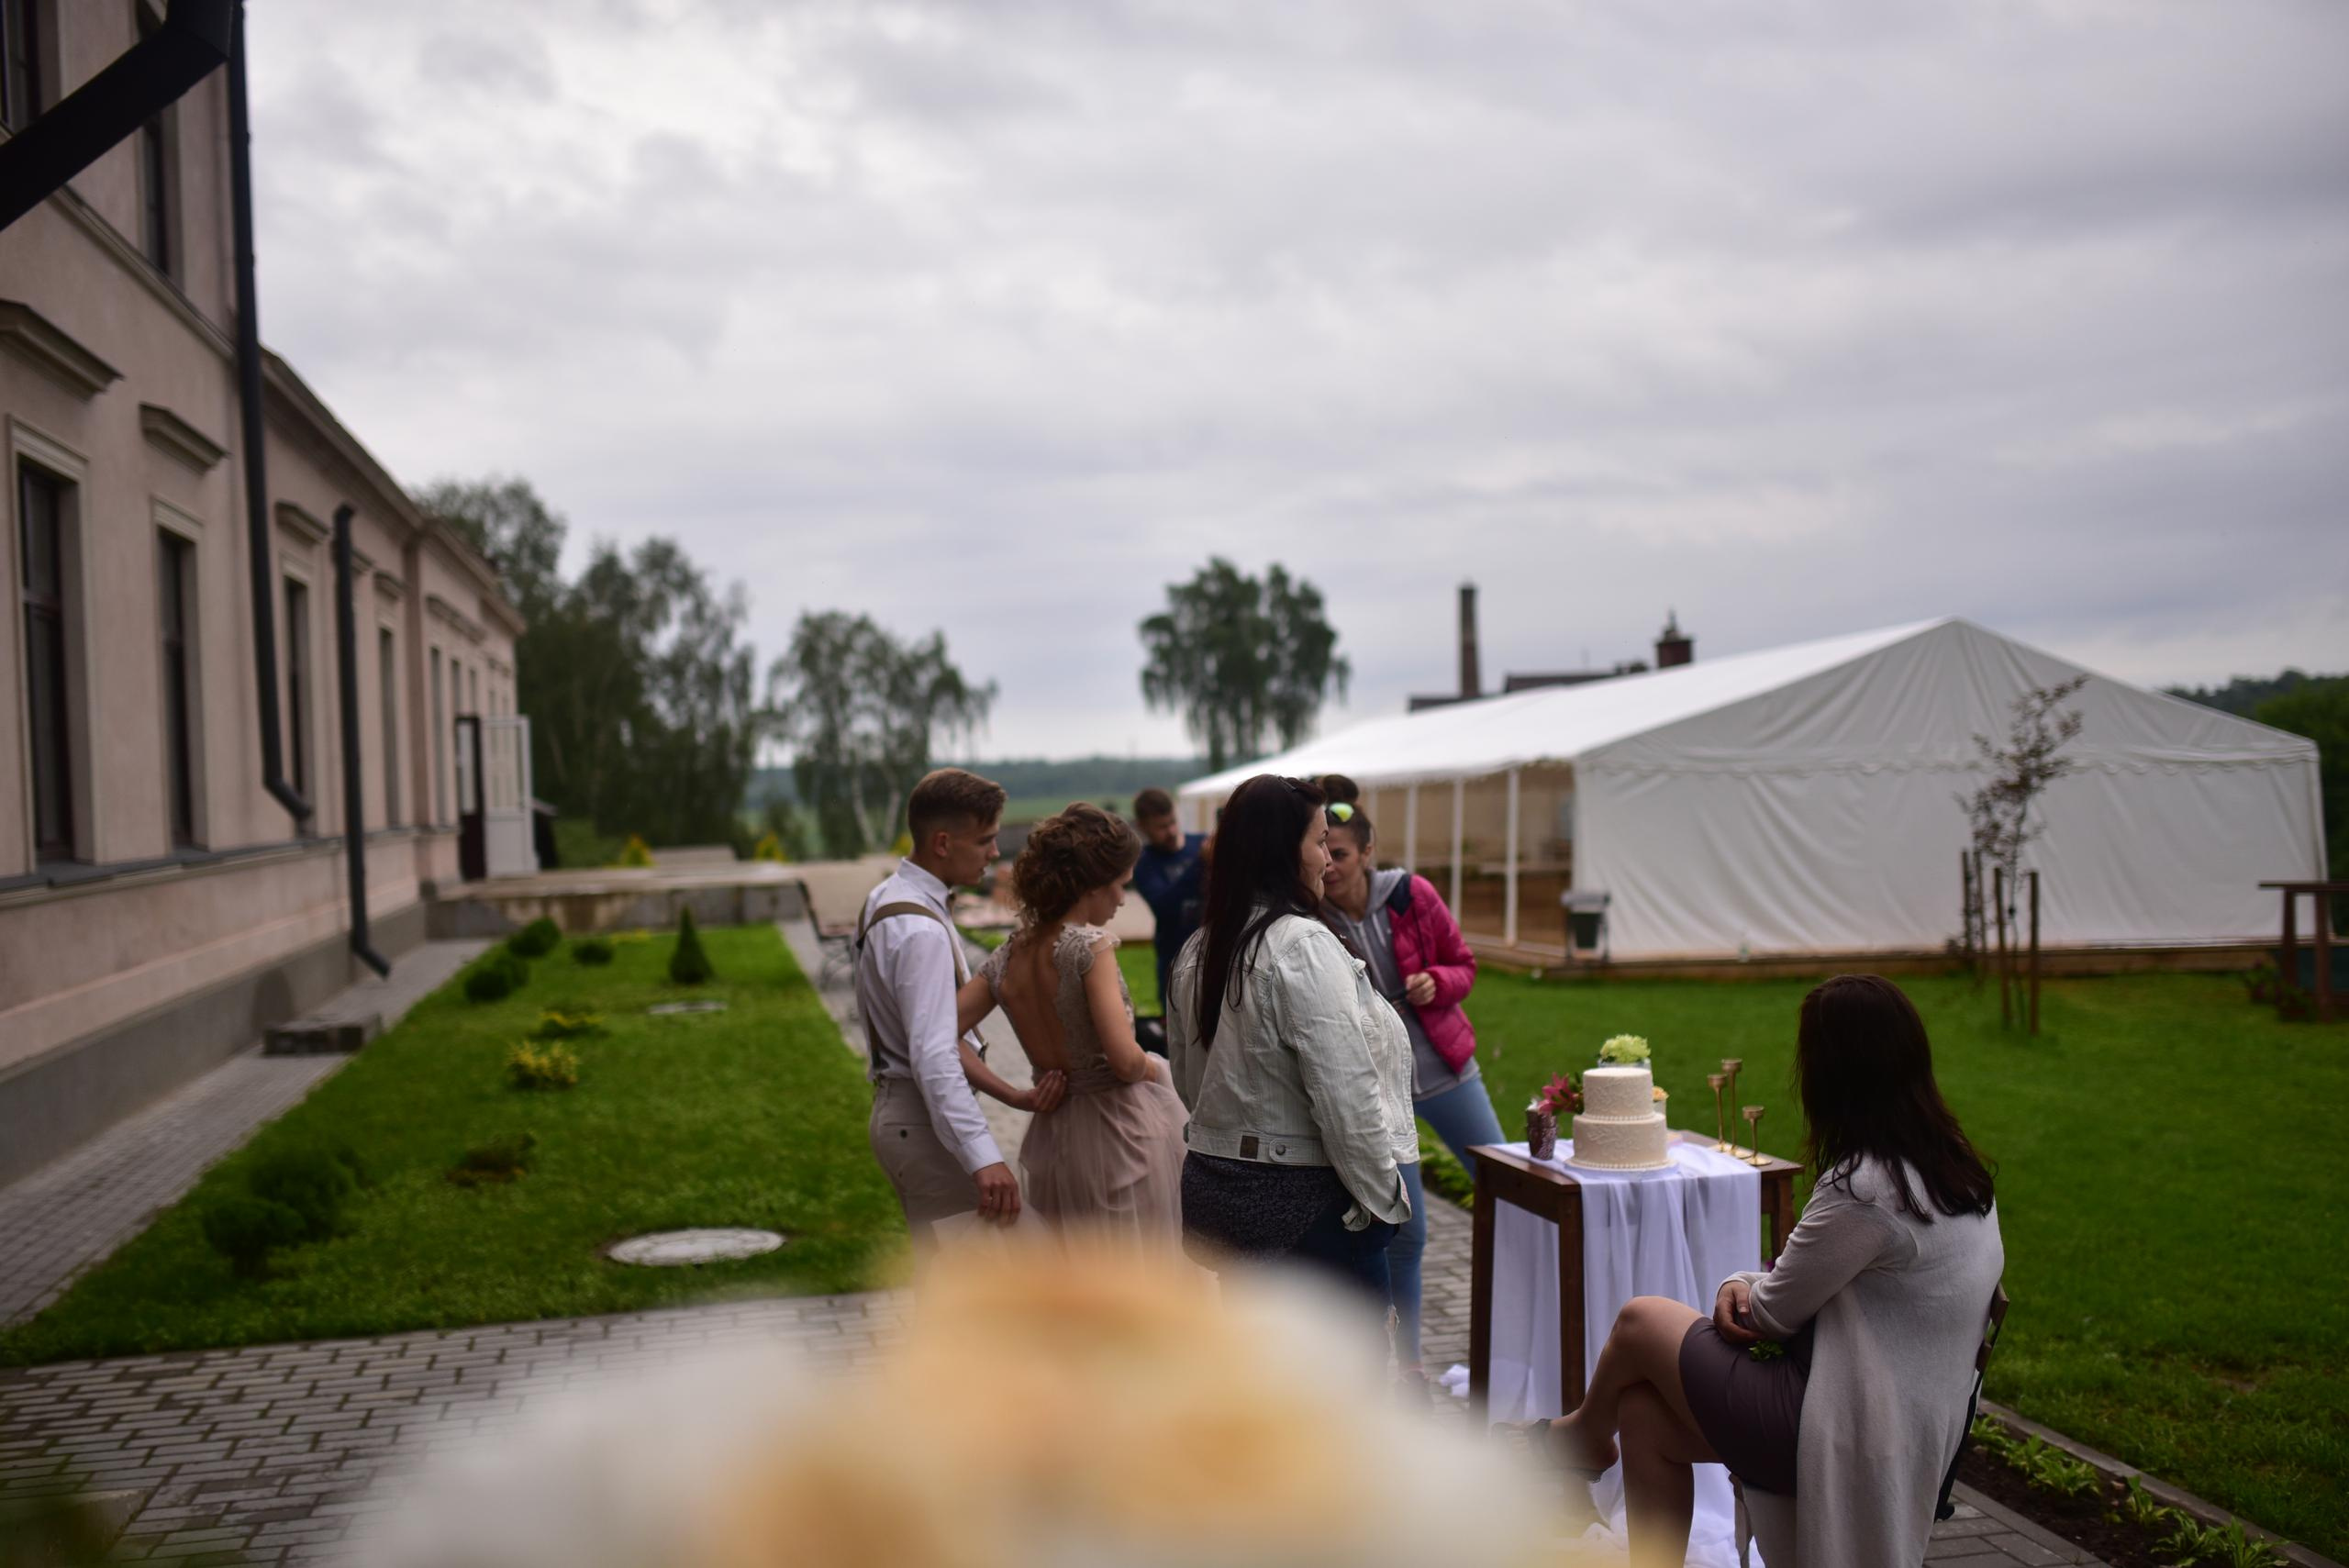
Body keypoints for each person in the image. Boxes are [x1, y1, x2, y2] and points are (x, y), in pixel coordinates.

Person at [1521, 974, 2005, 1568]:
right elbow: (1807, 1282)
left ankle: (1581, 1437)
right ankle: (1591, 1442)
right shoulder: (1953, 1171)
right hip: (1905, 1424)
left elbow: (1773, 1314)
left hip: (1840, 1424)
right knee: (1643, 1415)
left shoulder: (1865, 1188)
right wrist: (1743, 1284)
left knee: (1639, 1319)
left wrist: (1741, 1287)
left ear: (1833, 1074)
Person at [1167, 774, 1416, 1300]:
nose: (1327, 860)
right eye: (1320, 842)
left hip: (1227, 1200)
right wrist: (1382, 1201)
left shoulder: (1199, 947)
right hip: (1308, 1213)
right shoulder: (1301, 946)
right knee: (1340, 1355)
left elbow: (1191, 1083)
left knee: (1255, 1351)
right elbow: (1346, 1096)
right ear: (1282, 851)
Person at [1314, 774, 1506, 1388]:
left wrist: (1437, 982)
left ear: (1368, 852)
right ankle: (1413, 1368)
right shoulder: (1313, 919)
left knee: (1506, 1191)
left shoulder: (1410, 894)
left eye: (1341, 854)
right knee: (1409, 1232)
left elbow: (1464, 964)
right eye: (1323, 853)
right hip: (1378, 1093)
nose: (1330, 865)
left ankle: (1515, 1340)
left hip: (1445, 1069)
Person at [950, 804, 1188, 1239]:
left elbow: (940, 1037)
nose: (1122, 899)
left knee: (1073, 1269)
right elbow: (1125, 1062)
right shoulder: (1090, 946)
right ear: (1092, 885)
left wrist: (1012, 1095)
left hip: (1054, 1138)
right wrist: (1159, 1070)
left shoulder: (1007, 956)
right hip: (1120, 1135)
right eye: (1120, 885)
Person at [855, 768, 1066, 1250]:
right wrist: (983, 1157)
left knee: (950, 1279)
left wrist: (1012, 1097)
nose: (994, 853)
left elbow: (935, 1036)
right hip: (922, 1124)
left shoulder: (887, 897)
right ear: (943, 843)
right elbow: (932, 1054)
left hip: (906, 1117)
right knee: (1016, 1268)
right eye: (985, 840)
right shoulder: (920, 931)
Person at [1129, 787, 1208, 1015]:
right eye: (1162, 827)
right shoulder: (1144, 864)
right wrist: (1200, 863)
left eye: (1173, 822)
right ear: (1142, 826)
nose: (1171, 831)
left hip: (1214, 959)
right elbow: (1164, 906)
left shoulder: (1201, 843)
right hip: (1175, 964)